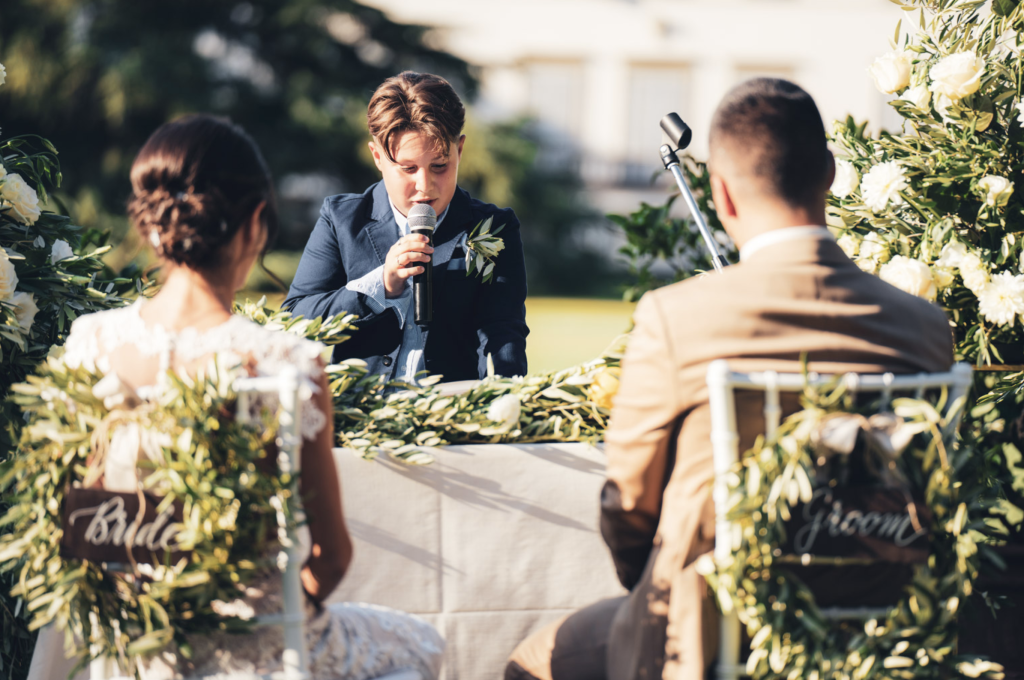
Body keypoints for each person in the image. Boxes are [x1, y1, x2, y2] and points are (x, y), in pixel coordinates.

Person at [505, 78, 955, 680]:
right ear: (828, 173)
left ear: (720, 192)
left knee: (532, 662)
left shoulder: (677, 318)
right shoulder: (925, 327)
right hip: (879, 631)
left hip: (707, 631)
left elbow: (629, 504)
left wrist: (654, 591)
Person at [27, 114, 444, 680]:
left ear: (152, 226)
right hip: (261, 645)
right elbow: (332, 557)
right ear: (255, 225)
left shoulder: (92, 345)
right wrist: (257, 622)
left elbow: (71, 516)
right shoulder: (288, 363)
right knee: (423, 646)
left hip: (136, 648)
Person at [284, 71, 529, 384]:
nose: (424, 186)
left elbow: (504, 328)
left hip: (448, 417)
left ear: (460, 150)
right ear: (377, 157)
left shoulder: (493, 227)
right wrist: (380, 285)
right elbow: (294, 320)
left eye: (439, 166)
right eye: (408, 168)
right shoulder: (342, 219)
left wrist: (508, 395)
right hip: (360, 416)